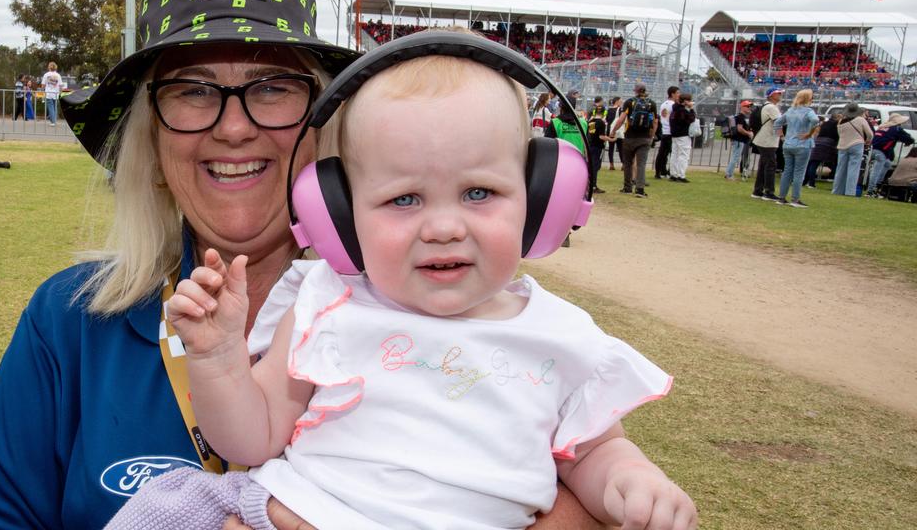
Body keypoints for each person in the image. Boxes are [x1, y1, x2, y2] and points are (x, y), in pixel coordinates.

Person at [0, 0, 604, 530]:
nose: (234, 129)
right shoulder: (69, 323)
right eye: (194, 91)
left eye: (273, 87)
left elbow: (594, 490)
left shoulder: (465, 307)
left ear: (324, 133)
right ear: (153, 137)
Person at [108, 35, 693, 530]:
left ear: (543, 202)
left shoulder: (563, 337)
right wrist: (217, 360)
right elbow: (251, 438)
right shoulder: (326, 305)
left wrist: (631, 478)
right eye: (403, 199)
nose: (443, 227)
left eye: (479, 193)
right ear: (339, 218)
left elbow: (594, 450)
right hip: (287, 512)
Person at [609, 83, 659, 197]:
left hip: (630, 137)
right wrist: (652, 135)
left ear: (635, 91)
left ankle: (627, 187)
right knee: (641, 164)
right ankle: (640, 189)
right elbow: (655, 122)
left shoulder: (629, 102)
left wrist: (613, 131)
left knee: (628, 163)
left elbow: (621, 119)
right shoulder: (652, 103)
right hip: (645, 137)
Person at [772, 89, 819, 207]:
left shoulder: (790, 110)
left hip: (788, 144)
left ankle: (782, 197)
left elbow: (777, 123)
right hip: (802, 145)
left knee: (787, 171)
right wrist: (809, 134)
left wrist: (782, 137)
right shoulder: (808, 111)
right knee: (799, 172)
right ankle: (795, 199)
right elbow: (815, 120)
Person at [865, 113, 914, 197]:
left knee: (887, 164)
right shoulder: (896, 129)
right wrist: (908, 142)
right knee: (876, 171)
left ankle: (877, 186)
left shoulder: (882, 127)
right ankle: (871, 191)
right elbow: (908, 137)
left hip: (873, 150)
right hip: (882, 152)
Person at [832, 102, 872, 196]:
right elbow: (870, 134)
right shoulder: (860, 120)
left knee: (840, 169)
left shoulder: (840, 121)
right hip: (856, 144)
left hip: (842, 145)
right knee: (853, 169)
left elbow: (840, 134)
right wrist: (867, 141)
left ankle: (837, 190)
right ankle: (850, 191)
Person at [750, 88, 783, 201]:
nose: (780, 95)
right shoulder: (771, 107)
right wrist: (783, 136)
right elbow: (778, 123)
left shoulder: (767, 106)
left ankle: (758, 190)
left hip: (763, 138)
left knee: (764, 165)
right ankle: (769, 191)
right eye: (778, 93)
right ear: (771, 95)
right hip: (768, 140)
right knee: (770, 165)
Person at [806, 110, 839, 189]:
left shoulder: (824, 124)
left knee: (812, 163)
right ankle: (811, 183)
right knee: (833, 164)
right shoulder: (836, 125)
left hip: (818, 142)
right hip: (828, 144)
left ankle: (807, 181)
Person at [667, 92, 696, 182]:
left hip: (674, 135)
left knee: (675, 155)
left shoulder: (674, 109)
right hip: (683, 135)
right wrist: (691, 109)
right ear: (685, 101)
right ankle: (681, 175)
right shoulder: (682, 111)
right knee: (684, 155)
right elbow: (691, 119)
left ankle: (673, 174)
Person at [724, 100, 754, 180]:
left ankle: (728, 173)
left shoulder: (740, 116)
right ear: (742, 107)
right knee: (735, 157)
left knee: (735, 157)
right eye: (747, 106)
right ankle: (729, 174)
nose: (749, 108)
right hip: (738, 140)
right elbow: (739, 129)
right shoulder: (741, 117)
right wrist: (748, 133)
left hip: (738, 140)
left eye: (750, 106)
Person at [653, 86, 679, 180]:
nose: (678, 95)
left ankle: (659, 171)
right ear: (672, 94)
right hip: (670, 131)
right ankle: (669, 172)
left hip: (664, 131)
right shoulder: (673, 105)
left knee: (662, 153)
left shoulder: (664, 104)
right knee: (671, 153)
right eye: (677, 93)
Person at [586, 97, 610, 193]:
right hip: (598, 146)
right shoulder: (601, 123)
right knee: (595, 166)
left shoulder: (591, 122)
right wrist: (611, 139)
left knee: (590, 165)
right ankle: (593, 185)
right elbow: (601, 136)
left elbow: (591, 133)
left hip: (591, 145)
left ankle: (589, 184)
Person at [42, 61, 64, 126]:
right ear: (56, 67)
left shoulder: (46, 75)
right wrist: (60, 93)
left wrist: (42, 91)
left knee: (51, 107)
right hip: (56, 93)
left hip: (48, 93)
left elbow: (43, 85)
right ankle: (54, 120)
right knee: (55, 107)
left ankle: (53, 122)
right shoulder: (58, 75)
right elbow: (60, 85)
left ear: (49, 67)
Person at [605, 95, 622, 170]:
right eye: (620, 101)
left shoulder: (609, 110)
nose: (621, 102)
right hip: (618, 130)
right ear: (617, 101)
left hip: (610, 129)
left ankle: (611, 164)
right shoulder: (620, 109)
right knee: (621, 147)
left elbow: (607, 120)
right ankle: (623, 164)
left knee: (611, 148)